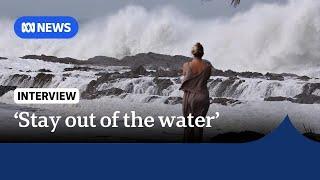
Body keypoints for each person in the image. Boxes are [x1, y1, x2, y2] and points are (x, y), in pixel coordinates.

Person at [179, 42, 212, 142]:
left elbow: (185, 75)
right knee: (199, 126)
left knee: (189, 126)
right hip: (202, 96)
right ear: (203, 53)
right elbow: (206, 79)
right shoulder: (208, 66)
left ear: (192, 53)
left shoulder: (186, 65)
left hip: (190, 97)